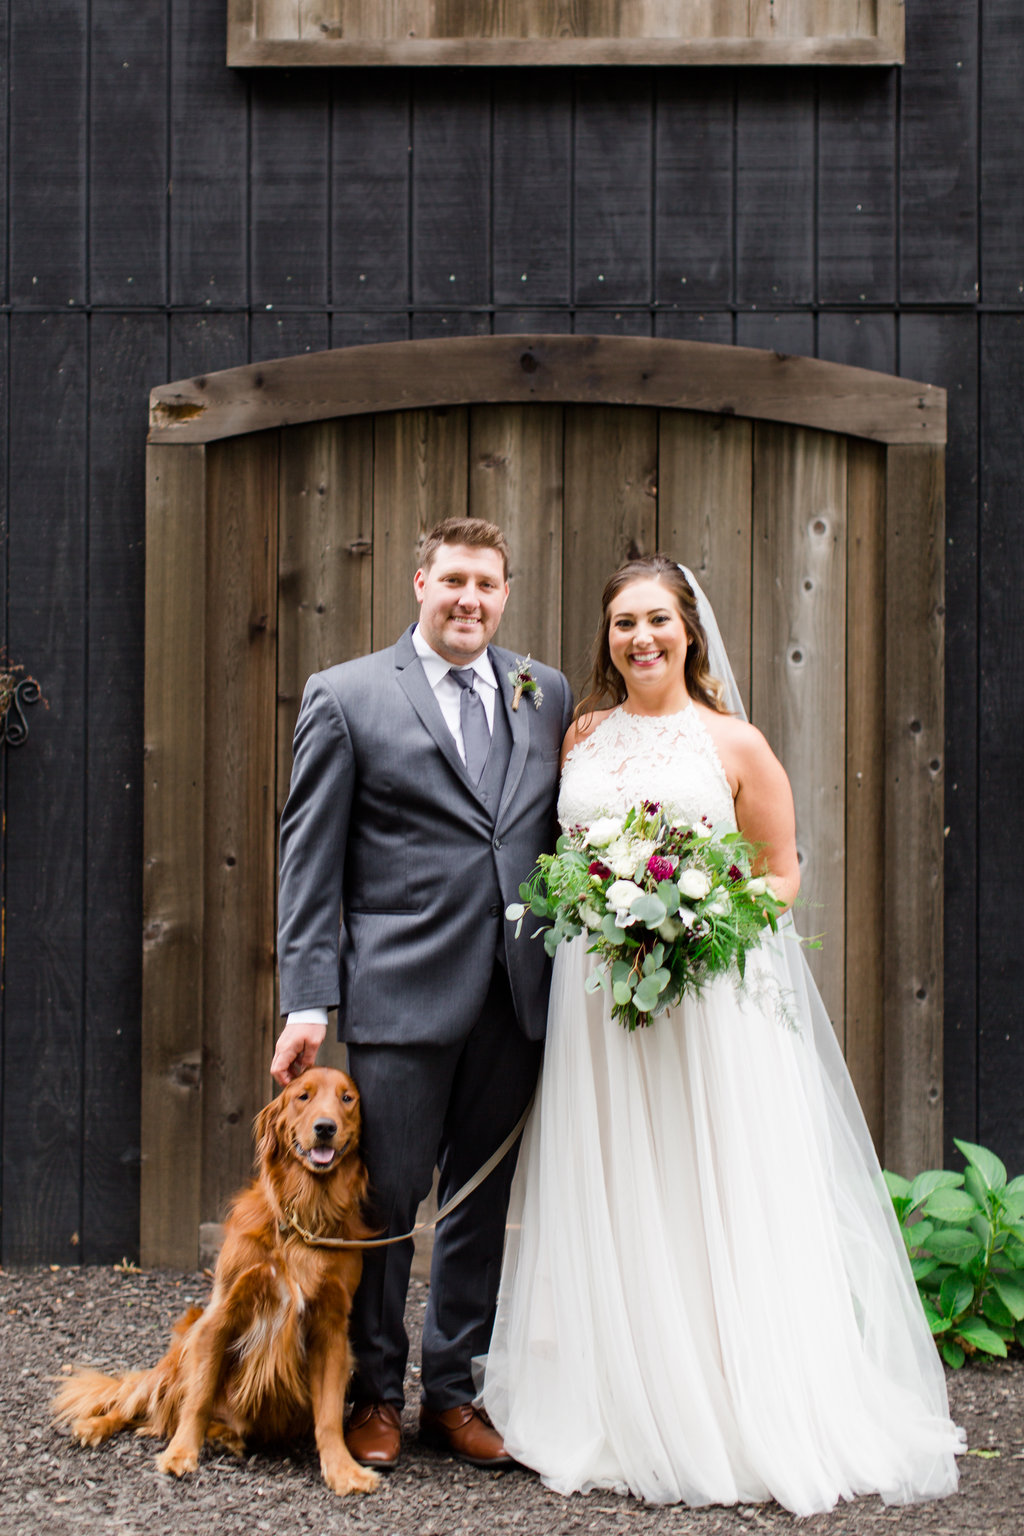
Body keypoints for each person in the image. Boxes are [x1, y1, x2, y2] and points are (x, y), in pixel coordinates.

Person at [481, 554, 964, 1514]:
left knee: (712, 1183)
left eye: (657, 619)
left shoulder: (735, 744)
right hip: (600, 1007)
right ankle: (621, 1391)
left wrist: (691, 917)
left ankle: (731, 1397)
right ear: (607, 638)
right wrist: (611, 914)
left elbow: (783, 875)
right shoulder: (578, 737)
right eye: (623, 623)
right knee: (619, 1180)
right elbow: (560, 862)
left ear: (690, 631)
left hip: (705, 1004)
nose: (641, 638)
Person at [271, 516, 573, 1472]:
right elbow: (307, 863)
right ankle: (373, 1393)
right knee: (389, 1202)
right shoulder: (348, 695)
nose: (469, 600)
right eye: (452, 581)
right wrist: (309, 1001)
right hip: (401, 994)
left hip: (517, 993)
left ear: (505, 593)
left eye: (486, 584)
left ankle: (454, 1391)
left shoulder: (545, 691)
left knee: (484, 1200)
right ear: (419, 584)